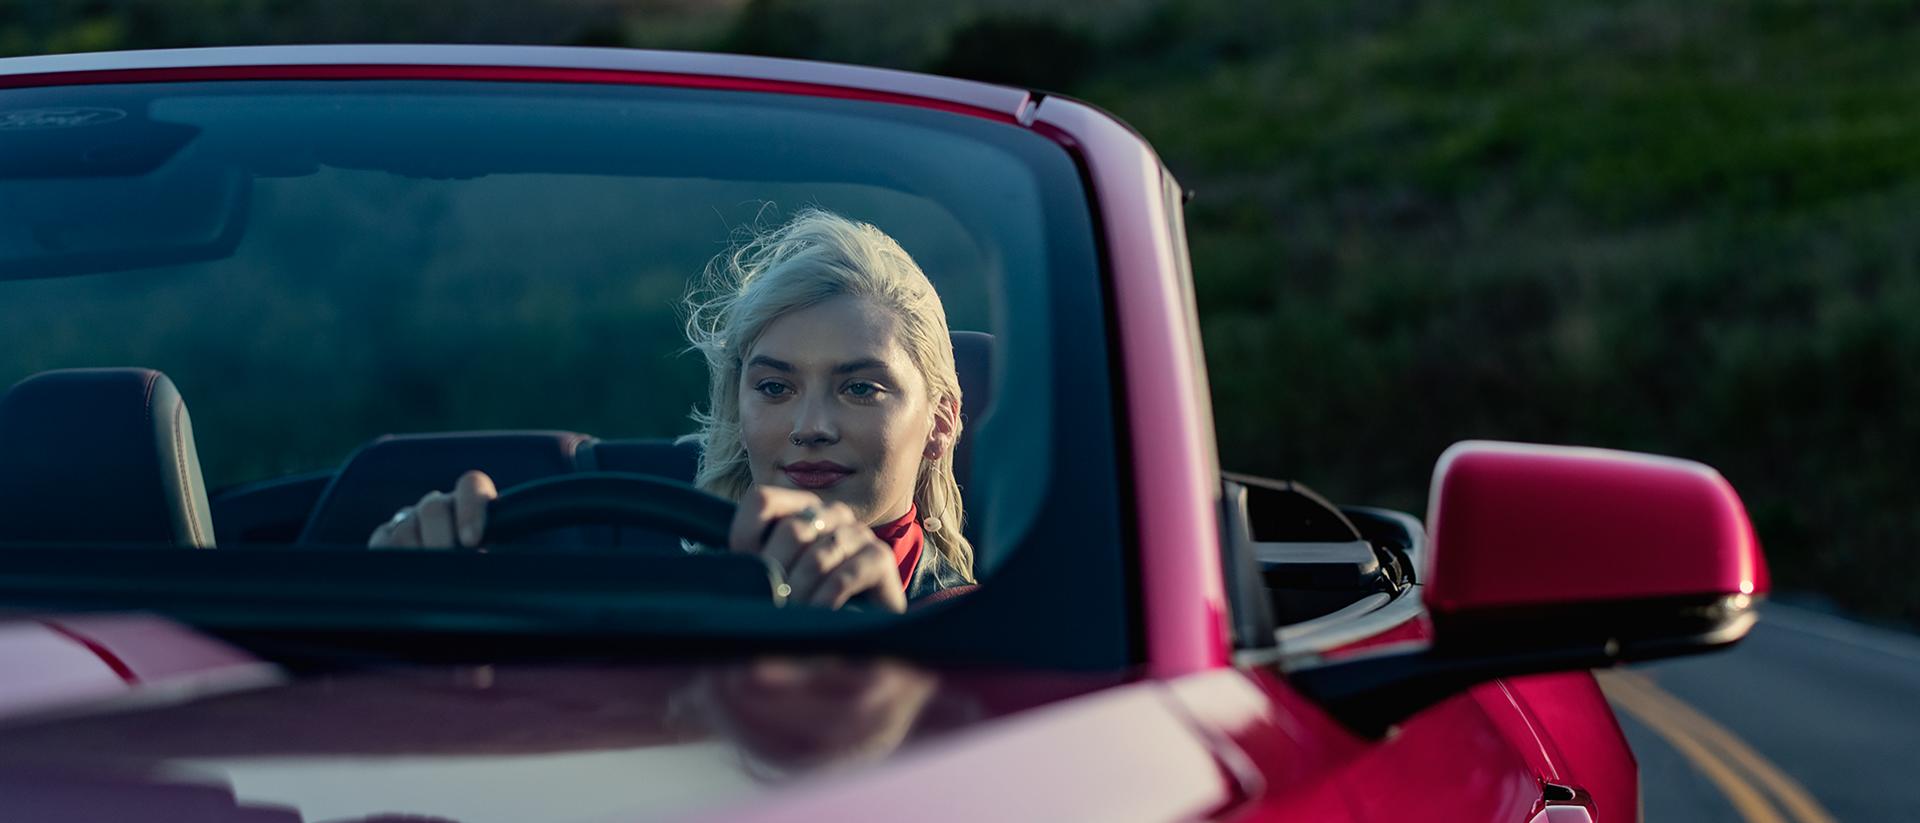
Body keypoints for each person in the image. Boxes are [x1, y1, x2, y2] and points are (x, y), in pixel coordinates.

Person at [369, 209, 977, 611]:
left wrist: (894, 642)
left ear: (942, 421)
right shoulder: (653, 601)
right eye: (774, 388)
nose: (810, 427)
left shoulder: (993, 633)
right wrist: (432, 605)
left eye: (860, 389)